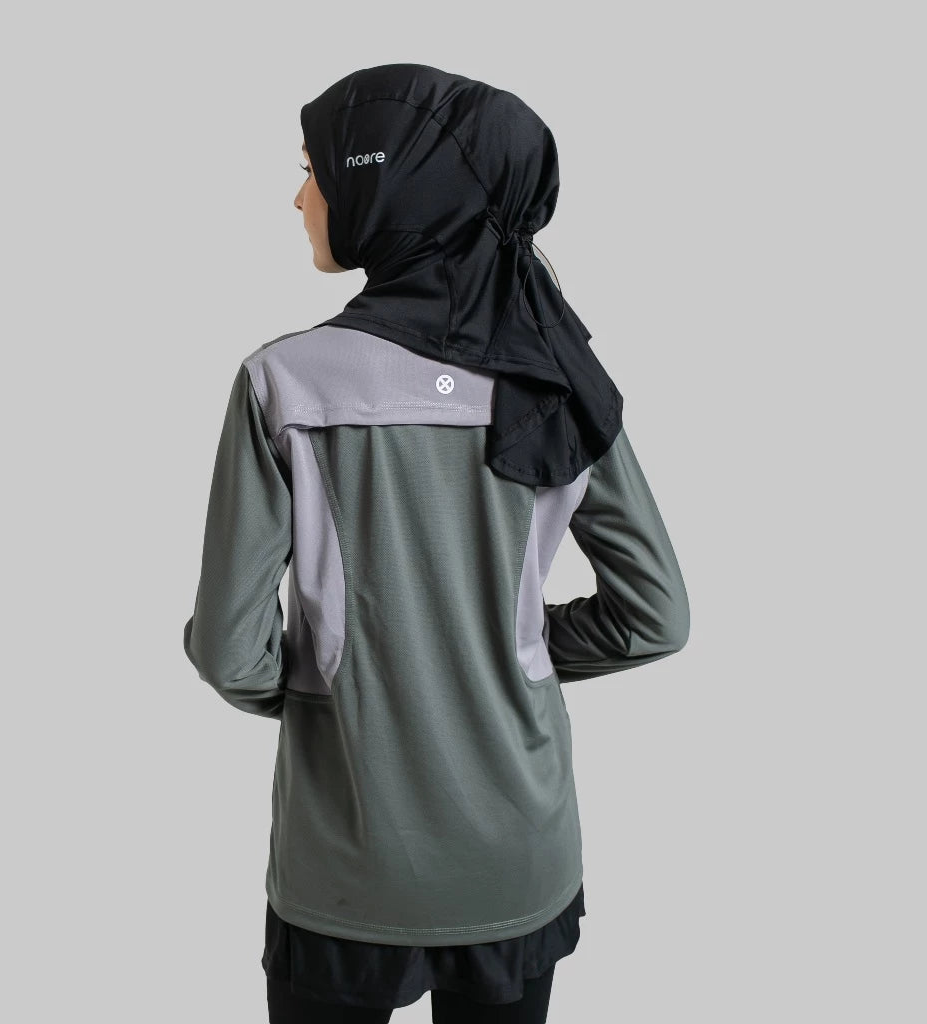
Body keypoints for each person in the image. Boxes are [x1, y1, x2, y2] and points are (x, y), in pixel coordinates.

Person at [183, 64, 690, 1024]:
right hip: (519, 855)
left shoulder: (284, 383)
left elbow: (229, 652)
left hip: (347, 861)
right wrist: (511, 644)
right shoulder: (561, 378)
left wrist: (339, 674)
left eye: (313, 170)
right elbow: (655, 618)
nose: (299, 198)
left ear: (384, 185)